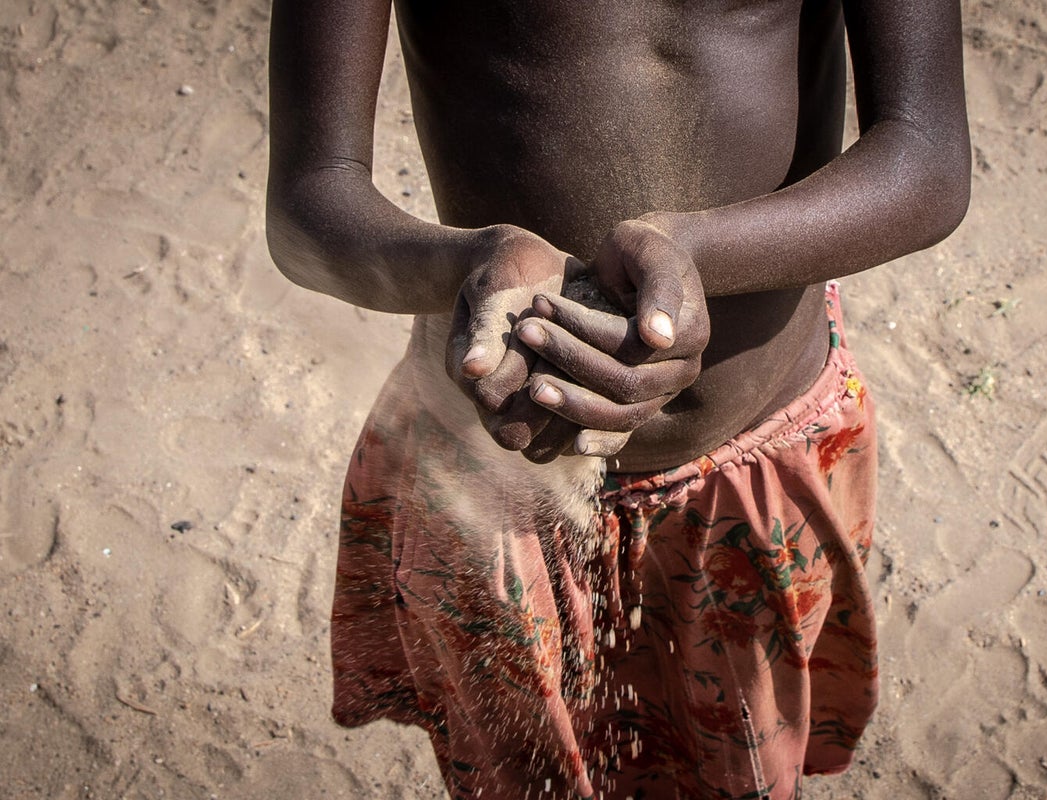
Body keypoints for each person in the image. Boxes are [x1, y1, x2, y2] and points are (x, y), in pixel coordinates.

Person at [266, 1, 970, 797]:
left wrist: (699, 254)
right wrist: (472, 262)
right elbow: (310, 196)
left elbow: (926, 156)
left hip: (756, 464)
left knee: (735, 770)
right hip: (496, 489)